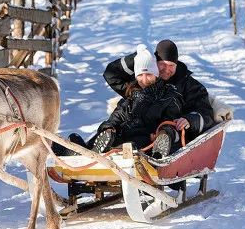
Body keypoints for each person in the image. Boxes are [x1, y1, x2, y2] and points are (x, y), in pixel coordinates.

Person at [56, 45, 184, 158]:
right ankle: (78, 151)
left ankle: (91, 154)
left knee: (131, 146)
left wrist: (162, 134)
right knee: (102, 139)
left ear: (156, 74)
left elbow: (171, 121)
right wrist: (108, 129)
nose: (144, 79)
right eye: (140, 75)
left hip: (145, 141)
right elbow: (116, 116)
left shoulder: (169, 96)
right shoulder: (131, 95)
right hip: (121, 135)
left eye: (149, 74)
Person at [103, 39, 214, 144]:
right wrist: (140, 57)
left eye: (171, 65)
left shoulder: (188, 85)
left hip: (172, 130)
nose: (166, 69)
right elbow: (111, 74)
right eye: (162, 64)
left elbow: (206, 113)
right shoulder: (144, 80)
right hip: (136, 128)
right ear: (155, 62)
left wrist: (189, 119)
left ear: (177, 64)